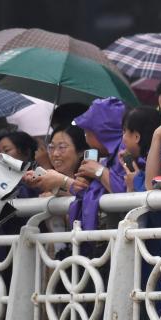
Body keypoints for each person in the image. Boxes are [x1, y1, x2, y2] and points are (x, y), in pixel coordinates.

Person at [70, 98, 127, 233]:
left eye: (87, 132)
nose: (86, 138)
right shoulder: (108, 158)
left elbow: (127, 192)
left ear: (101, 132)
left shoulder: (126, 150)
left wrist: (99, 171)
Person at [25, 126, 90, 197]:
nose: (55, 154)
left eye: (62, 147)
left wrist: (63, 181)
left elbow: (88, 196)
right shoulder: (49, 184)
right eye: (51, 147)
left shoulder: (91, 179)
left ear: (80, 152)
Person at [119, 106, 161, 194]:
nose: (123, 138)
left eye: (124, 131)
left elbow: (151, 193)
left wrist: (135, 181)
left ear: (136, 137)